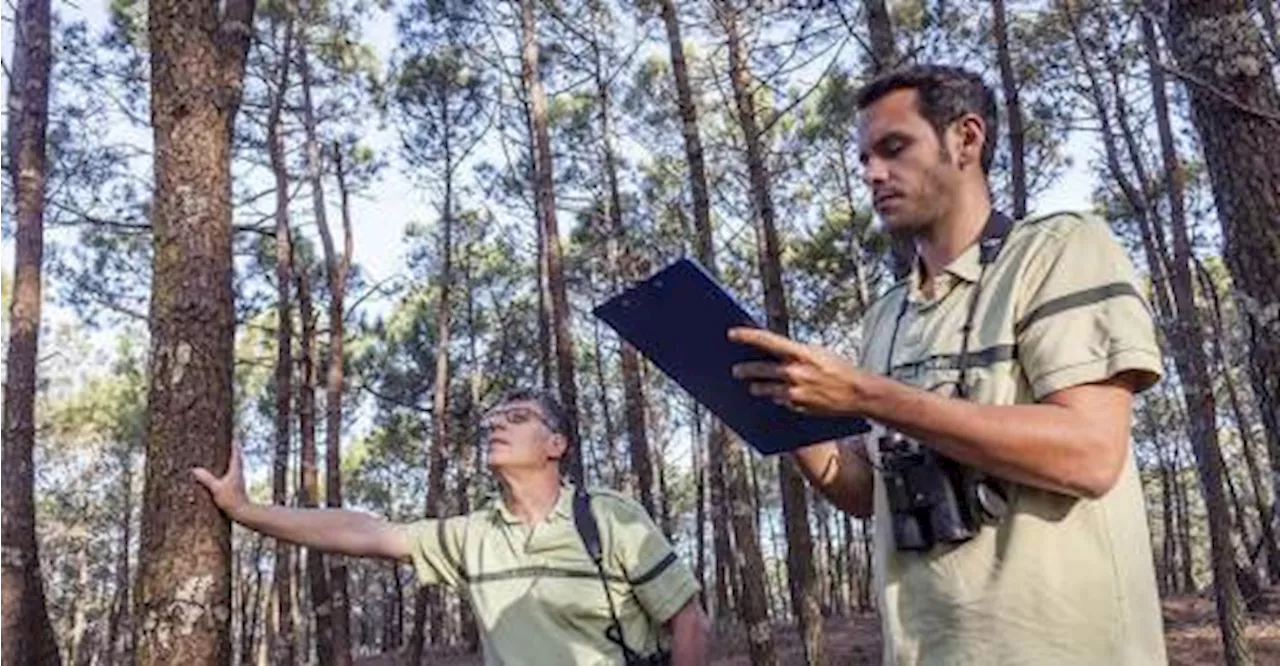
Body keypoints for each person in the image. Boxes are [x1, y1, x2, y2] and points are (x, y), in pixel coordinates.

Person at [729, 65, 1166, 664]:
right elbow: (863, 492)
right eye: (863, 159)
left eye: (893, 148)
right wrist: (785, 411)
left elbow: (1090, 453)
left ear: (966, 139)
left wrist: (866, 395)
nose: (872, 173)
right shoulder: (886, 315)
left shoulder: (1058, 250)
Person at [194, 388, 708, 666]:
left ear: (557, 445)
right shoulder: (473, 535)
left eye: (519, 417)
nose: (497, 425)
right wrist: (246, 511)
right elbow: (364, 532)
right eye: (495, 419)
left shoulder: (609, 517)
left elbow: (689, 622)